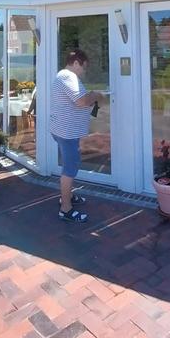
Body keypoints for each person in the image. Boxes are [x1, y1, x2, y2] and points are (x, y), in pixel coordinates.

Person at [50, 49, 105, 222]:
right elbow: (81, 101)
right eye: (83, 67)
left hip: (63, 130)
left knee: (69, 166)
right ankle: (65, 209)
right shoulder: (68, 76)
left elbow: (77, 100)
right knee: (70, 169)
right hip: (67, 133)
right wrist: (96, 95)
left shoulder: (63, 76)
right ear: (75, 63)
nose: (84, 71)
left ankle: (67, 196)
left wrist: (91, 97)